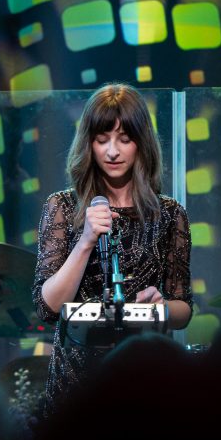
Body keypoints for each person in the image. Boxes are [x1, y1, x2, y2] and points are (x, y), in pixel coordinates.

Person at [31, 83, 192, 414]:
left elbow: (184, 310)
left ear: (141, 143)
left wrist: (160, 307)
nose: (112, 152)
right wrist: (86, 240)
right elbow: (48, 308)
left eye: (124, 139)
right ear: (88, 143)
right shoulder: (62, 206)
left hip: (146, 376)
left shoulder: (169, 213)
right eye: (102, 140)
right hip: (77, 383)